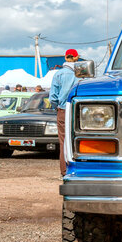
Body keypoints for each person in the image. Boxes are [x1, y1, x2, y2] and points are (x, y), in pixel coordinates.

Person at [50, 48, 81, 176]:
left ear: (65, 58)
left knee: (63, 141)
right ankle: (80, 169)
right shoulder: (81, 73)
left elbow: (53, 97)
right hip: (79, 110)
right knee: (80, 139)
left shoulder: (59, 74)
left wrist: (56, 107)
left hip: (63, 110)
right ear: (76, 57)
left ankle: (64, 171)